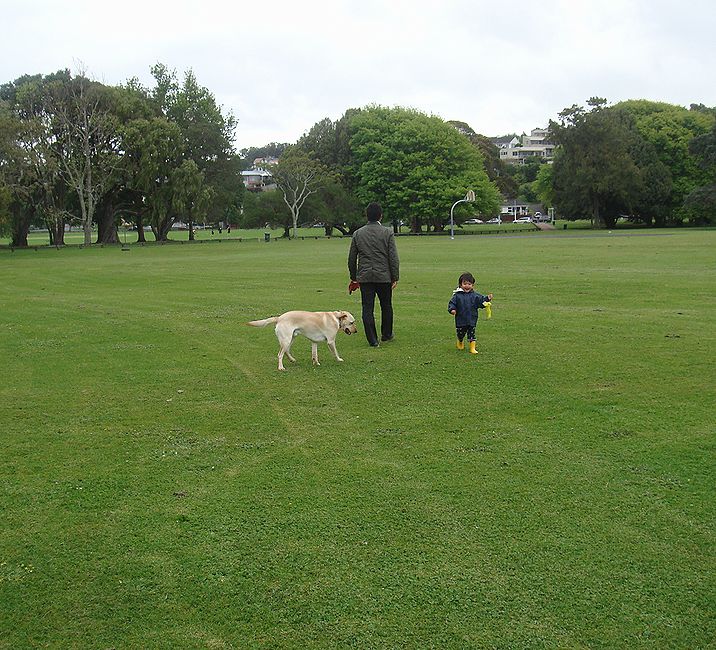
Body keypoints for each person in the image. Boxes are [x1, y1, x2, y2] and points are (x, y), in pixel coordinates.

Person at [348, 202, 400, 347]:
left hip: (365, 276)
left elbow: (352, 258)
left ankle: (372, 339)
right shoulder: (387, 232)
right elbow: (393, 257)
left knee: (367, 308)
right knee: (386, 305)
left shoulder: (358, 233)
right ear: (380, 216)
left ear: (367, 215)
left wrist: (354, 277)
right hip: (384, 276)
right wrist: (395, 276)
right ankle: (386, 334)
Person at [448, 272, 493, 354]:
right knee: (460, 333)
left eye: (469, 284)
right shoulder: (457, 296)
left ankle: (472, 348)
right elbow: (452, 303)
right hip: (461, 319)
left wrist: (487, 298)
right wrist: (452, 309)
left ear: (472, 285)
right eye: (465, 284)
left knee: (472, 333)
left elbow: (481, 301)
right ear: (460, 284)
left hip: (472, 318)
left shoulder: (475, 295)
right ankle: (460, 341)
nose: (467, 286)